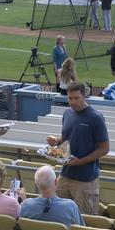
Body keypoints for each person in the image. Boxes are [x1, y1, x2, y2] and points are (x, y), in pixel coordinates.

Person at [46, 82, 109, 215]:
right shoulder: (67, 113)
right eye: (70, 98)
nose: (73, 102)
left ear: (84, 96)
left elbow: (104, 149)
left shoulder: (96, 118)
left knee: (85, 220)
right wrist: (55, 141)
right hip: (65, 175)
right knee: (58, 215)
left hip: (86, 179)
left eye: (76, 98)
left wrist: (80, 161)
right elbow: (64, 138)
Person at [19, 165, 83, 227]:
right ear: (56, 182)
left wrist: (25, 201)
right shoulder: (70, 206)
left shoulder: (25, 205)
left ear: (36, 184)